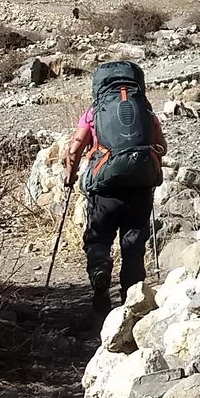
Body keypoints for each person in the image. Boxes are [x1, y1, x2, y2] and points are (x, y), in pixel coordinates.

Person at [64, 60, 167, 318]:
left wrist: (70, 176)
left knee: (99, 238)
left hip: (105, 187)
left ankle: (100, 274)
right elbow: (162, 147)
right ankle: (131, 304)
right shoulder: (145, 109)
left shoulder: (94, 112)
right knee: (133, 244)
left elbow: (75, 149)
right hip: (140, 186)